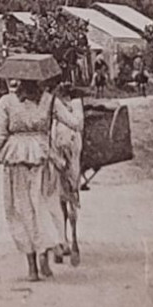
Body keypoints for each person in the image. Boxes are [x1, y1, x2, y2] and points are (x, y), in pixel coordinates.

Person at [0, 59, 71, 281]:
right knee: (42, 205)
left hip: (15, 158)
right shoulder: (49, 101)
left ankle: (32, 268)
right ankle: (47, 253)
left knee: (20, 211)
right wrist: (75, 106)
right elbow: (73, 123)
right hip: (43, 156)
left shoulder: (7, 102)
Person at [48, 81, 86, 265]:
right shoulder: (73, 106)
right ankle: (69, 240)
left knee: (59, 198)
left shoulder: (52, 106)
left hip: (62, 152)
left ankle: (63, 241)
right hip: (68, 151)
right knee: (69, 196)